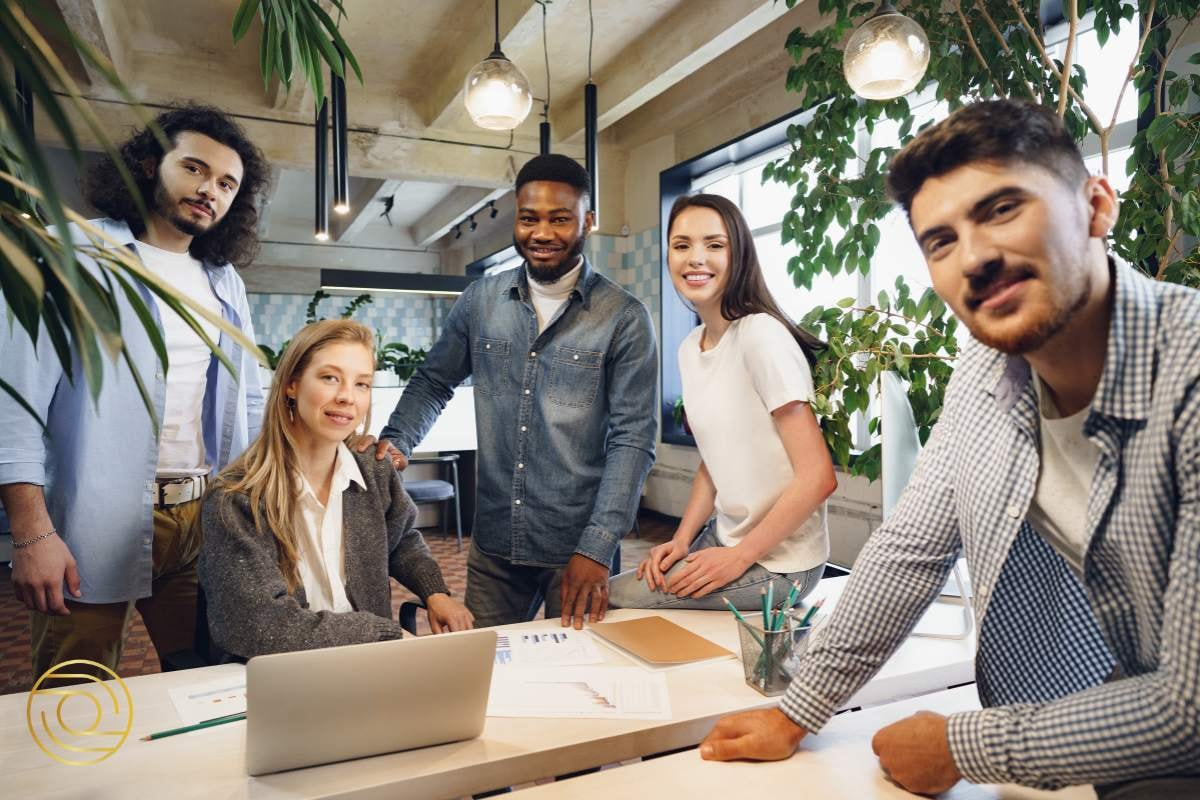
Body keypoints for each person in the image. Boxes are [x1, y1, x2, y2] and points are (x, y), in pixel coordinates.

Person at [699, 99, 1200, 799]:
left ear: (1096, 206)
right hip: (1102, 729)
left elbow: (1191, 708)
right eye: (940, 241)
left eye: (1002, 209)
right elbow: (911, 548)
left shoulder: (1190, 375)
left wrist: (964, 746)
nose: (976, 258)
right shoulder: (984, 370)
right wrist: (797, 708)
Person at [0, 104, 271, 680]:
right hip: (93, 518)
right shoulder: (70, 252)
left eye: (227, 184)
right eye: (194, 169)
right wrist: (30, 532)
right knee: (75, 694)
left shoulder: (225, 283)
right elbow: (15, 400)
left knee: (210, 680)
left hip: (204, 518)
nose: (210, 191)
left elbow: (249, 398)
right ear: (148, 164)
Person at [382, 153, 658, 630]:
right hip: (495, 543)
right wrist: (398, 439)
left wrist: (596, 547)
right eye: (529, 218)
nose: (542, 233)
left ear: (588, 221)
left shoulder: (624, 318)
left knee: (578, 679)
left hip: (576, 547)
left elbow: (633, 439)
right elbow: (434, 380)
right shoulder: (481, 301)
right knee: (488, 673)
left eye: (560, 219)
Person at [608, 194, 835, 611]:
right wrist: (680, 540)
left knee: (613, 599)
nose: (696, 259)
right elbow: (713, 462)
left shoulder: (760, 336)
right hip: (725, 535)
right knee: (616, 591)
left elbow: (818, 478)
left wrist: (738, 557)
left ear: (739, 255)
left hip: (783, 564)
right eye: (681, 246)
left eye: (714, 245)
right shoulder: (690, 348)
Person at [199, 321, 471, 658]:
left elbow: (400, 540)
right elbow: (259, 627)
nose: (346, 396)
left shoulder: (374, 469)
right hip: (282, 675)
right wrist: (382, 634)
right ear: (291, 385)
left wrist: (435, 592)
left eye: (362, 384)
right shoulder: (237, 497)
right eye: (330, 378)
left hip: (368, 665)